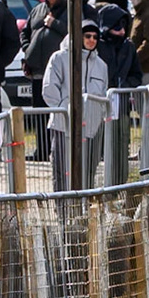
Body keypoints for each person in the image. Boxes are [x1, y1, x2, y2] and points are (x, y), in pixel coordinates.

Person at [43, 21, 111, 190]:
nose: (91, 40)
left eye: (95, 37)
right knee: (61, 170)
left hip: (90, 129)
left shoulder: (102, 66)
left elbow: (103, 94)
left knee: (88, 171)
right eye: (87, 36)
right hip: (63, 125)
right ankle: (63, 211)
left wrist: (97, 117)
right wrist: (64, 112)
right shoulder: (59, 57)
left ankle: (83, 210)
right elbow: (49, 88)